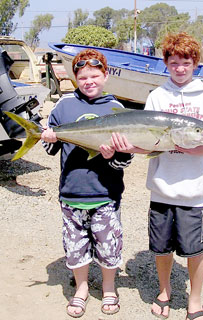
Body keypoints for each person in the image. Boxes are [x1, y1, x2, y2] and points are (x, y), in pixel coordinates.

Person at [110, 32, 203, 320]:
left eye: (185, 62)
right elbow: (148, 141)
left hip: (194, 192)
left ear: (195, 63)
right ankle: (164, 291)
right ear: (165, 63)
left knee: (194, 250)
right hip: (161, 189)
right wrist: (125, 147)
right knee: (161, 249)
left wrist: (196, 148)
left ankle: (195, 301)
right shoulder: (157, 96)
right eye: (173, 62)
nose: (179, 67)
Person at [41, 48, 134, 318]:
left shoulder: (117, 108)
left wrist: (111, 156)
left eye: (95, 75)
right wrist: (47, 138)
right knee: (75, 246)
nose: (89, 81)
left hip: (105, 193)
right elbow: (52, 151)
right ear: (75, 79)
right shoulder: (64, 106)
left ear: (105, 75)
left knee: (108, 245)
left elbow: (125, 160)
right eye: (83, 77)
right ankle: (81, 288)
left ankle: (108, 287)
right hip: (71, 192)